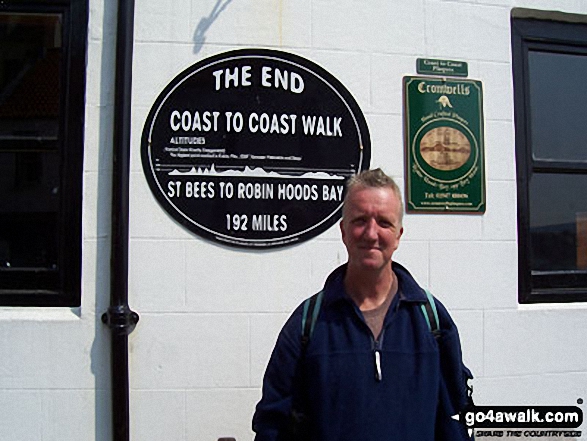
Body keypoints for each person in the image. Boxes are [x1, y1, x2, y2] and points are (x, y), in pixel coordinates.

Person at [252, 168, 472, 441]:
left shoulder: (432, 321)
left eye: (383, 222)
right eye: (360, 220)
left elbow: (456, 420)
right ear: (343, 231)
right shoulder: (307, 324)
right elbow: (273, 425)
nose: (371, 233)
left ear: (398, 234)